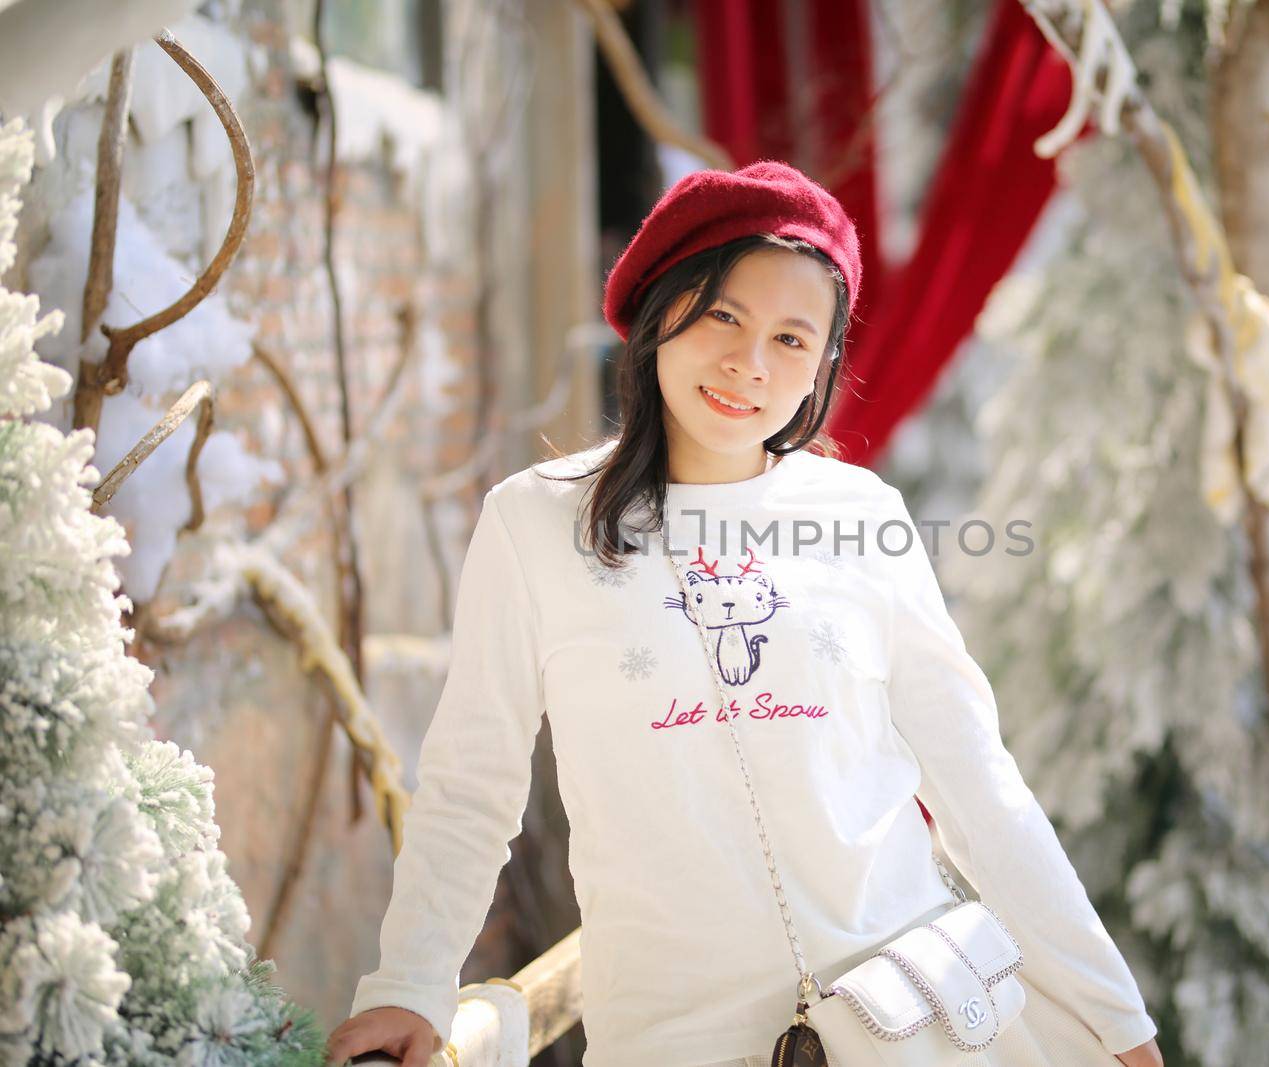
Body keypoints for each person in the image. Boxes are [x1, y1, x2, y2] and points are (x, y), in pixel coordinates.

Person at [324, 160, 1162, 1067]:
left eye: (793, 340)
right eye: (724, 314)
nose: (749, 364)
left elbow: (974, 782)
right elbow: (472, 783)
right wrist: (409, 986)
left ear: (822, 367)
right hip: (675, 1038)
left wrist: (1115, 1017)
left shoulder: (859, 514)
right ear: (659, 312)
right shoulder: (533, 523)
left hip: (913, 1021)